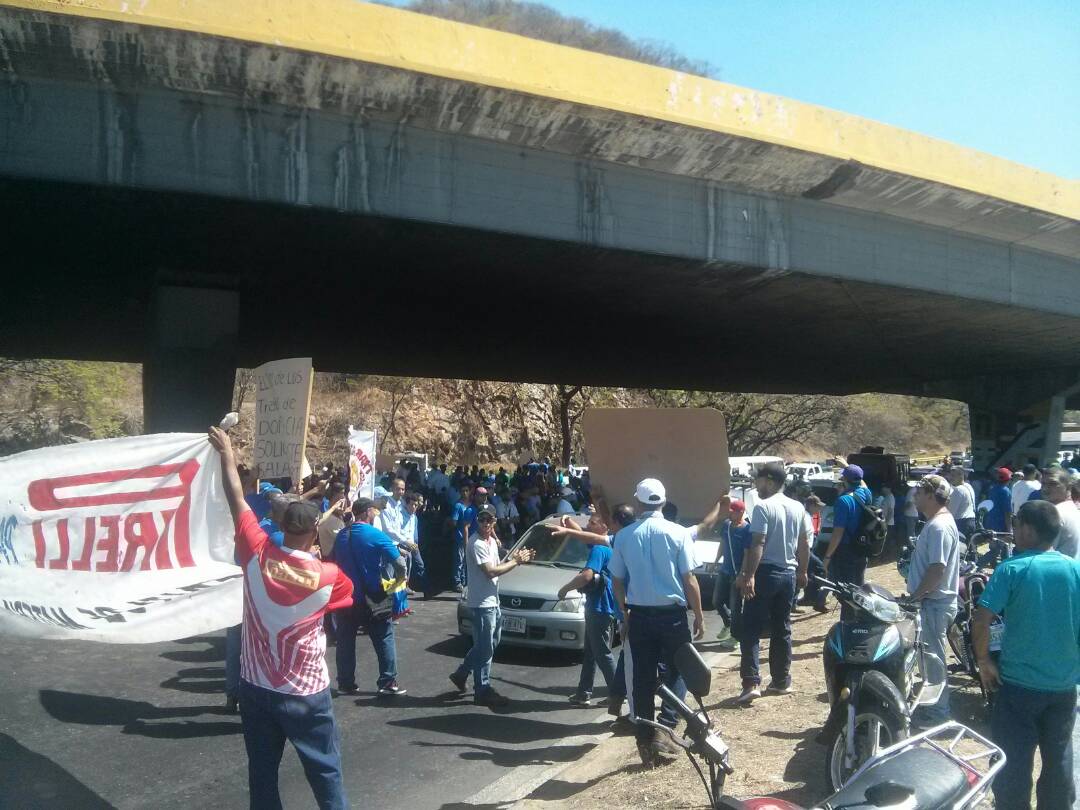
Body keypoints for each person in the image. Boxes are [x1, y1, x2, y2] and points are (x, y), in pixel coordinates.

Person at [207, 427, 353, 810]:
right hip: (306, 694)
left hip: (255, 689)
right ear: (314, 535)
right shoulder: (330, 577)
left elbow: (235, 497)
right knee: (326, 775)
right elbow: (340, 601)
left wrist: (226, 452)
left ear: (282, 525)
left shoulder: (255, 551)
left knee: (262, 776)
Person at [973, 500, 1080, 810]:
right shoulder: (1074, 569)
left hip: (1019, 685)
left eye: (1017, 523)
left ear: (1029, 530)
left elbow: (981, 619)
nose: (1014, 529)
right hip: (1062, 686)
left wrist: (983, 662)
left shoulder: (1013, 568)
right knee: (1059, 756)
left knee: (1014, 762)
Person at [608, 478, 712, 768]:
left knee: (642, 677)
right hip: (672, 615)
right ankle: (666, 725)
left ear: (639, 503)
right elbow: (689, 579)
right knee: (677, 670)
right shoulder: (678, 533)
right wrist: (700, 615)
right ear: (663, 503)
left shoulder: (625, 536)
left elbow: (616, 579)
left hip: (639, 615)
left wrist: (624, 614)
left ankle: (645, 735)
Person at [734, 462, 810, 704]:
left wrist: (749, 575)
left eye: (758, 480)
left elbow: (758, 543)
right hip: (788, 573)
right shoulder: (797, 507)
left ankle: (751, 682)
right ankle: (780, 680)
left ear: (769, 481)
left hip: (766, 572)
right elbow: (804, 542)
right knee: (782, 627)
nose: (756, 485)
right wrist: (803, 571)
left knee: (751, 628)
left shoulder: (763, 507)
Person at [449, 506, 535, 707]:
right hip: (481, 604)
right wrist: (516, 561)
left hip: (493, 600)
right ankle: (482, 689)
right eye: (482, 520)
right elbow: (491, 571)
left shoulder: (491, 542)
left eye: (489, 520)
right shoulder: (476, 543)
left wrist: (517, 558)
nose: (485, 523)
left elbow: (500, 561)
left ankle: (462, 673)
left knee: (488, 644)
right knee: (485, 648)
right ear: (477, 521)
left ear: (494, 522)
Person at [334, 498, 408, 697]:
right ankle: (387, 681)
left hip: (346, 596)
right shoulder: (376, 534)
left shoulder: (341, 535)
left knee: (345, 640)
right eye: (375, 511)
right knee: (384, 637)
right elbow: (400, 563)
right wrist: (398, 582)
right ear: (367, 512)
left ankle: (345, 682)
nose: (376, 514)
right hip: (373, 596)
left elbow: (333, 561)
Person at [906, 475, 960, 726]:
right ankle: (934, 708)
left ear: (930, 494)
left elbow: (937, 569)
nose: (914, 496)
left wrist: (916, 596)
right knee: (928, 659)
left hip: (934, 603)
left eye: (918, 491)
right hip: (933, 602)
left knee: (934, 661)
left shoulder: (938, 527)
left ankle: (939, 714)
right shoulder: (937, 523)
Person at [557, 512, 621, 706]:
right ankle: (584, 692)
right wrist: (569, 522)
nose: (589, 527)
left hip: (599, 607)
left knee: (602, 653)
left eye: (593, 524)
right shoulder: (605, 546)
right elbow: (581, 533)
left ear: (604, 528)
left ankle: (617, 694)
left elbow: (586, 576)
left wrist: (564, 589)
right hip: (602, 606)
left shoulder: (599, 550)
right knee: (592, 652)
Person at [821, 465, 872, 587]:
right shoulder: (866, 493)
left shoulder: (843, 501)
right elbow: (862, 483)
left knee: (846, 591)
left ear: (844, 479)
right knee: (858, 586)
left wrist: (827, 557)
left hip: (846, 549)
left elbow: (838, 533)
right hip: (862, 546)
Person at [713, 500, 749, 650]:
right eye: (730, 510)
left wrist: (743, 574)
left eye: (734, 511)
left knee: (735, 606)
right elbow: (723, 543)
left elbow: (748, 553)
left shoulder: (747, 529)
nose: (731, 513)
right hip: (724, 570)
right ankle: (728, 624)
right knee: (717, 601)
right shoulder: (727, 525)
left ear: (741, 512)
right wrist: (716, 560)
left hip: (737, 573)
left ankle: (736, 637)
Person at [1039, 467, 1080, 558]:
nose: (1045, 488)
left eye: (1053, 484)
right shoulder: (1072, 509)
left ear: (1068, 487)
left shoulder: (1054, 512)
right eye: (1043, 483)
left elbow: (1043, 555)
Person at [450, 483, 476, 592]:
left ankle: (465, 581)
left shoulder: (472, 505)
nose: (465, 493)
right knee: (459, 560)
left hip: (471, 537)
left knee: (467, 561)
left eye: (466, 490)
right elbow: (453, 521)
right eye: (462, 491)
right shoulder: (458, 505)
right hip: (460, 537)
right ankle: (458, 582)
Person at [946, 467, 977, 540]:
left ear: (961, 476)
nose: (951, 478)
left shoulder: (958, 490)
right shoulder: (968, 486)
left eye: (953, 476)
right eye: (951, 475)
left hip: (961, 524)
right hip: (971, 521)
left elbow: (951, 512)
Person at [985, 467, 1013, 533]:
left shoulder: (991, 489)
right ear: (1008, 479)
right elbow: (1007, 512)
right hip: (1001, 526)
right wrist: (1010, 529)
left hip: (989, 523)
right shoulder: (1006, 491)